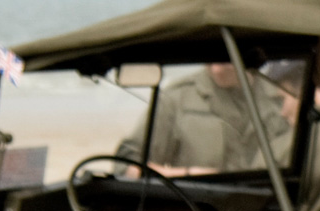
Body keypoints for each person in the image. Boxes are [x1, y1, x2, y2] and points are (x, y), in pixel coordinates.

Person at [117, 63, 289, 177]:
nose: (216, 70)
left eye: (227, 61)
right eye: (210, 60)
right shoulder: (177, 100)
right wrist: (188, 175)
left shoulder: (283, 99)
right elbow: (126, 165)